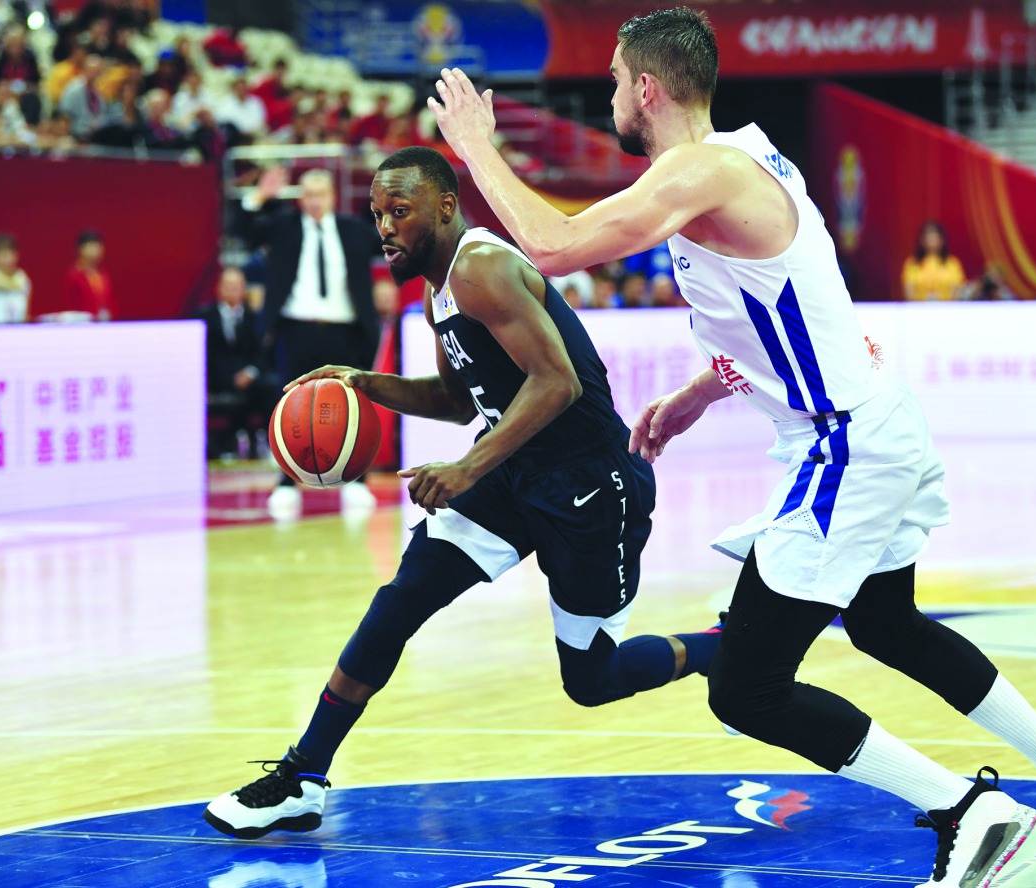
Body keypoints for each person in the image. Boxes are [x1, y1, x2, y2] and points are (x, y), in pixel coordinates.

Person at [428, 9, 1036, 887]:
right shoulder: (748, 157)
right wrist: (698, 392)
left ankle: (974, 815)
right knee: (886, 623)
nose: (611, 94)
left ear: (647, 89)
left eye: (616, 80)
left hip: (845, 444)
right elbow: (785, 305)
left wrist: (475, 147)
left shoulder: (700, 170)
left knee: (747, 687)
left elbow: (554, 244)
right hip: (873, 415)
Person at [203, 145, 723, 840]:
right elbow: (457, 400)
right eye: (377, 212)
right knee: (400, 601)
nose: (384, 226)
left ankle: (724, 646)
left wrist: (467, 468)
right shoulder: (436, 291)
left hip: (591, 485)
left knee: (592, 680)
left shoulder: (481, 268)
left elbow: (557, 382)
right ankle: (302, 776)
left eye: (399, 210)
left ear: (445, 207)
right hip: (516, 475)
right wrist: (363, 384)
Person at [235, 165, 384, 515]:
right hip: (296, 327)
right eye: (309, 195)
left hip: (345, 328)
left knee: (353, 402)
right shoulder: (283, 227)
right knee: (289, 403)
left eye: (321, 194)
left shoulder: (353, 230)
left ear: (332, 196)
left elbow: (389, 246)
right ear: (301, 199)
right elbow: (243, 234)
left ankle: (357, 479)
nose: (315, 201)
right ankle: (286, 480)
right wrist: (259, 197)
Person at [196, 266, 278, 459]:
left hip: (249, 380)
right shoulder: (204, 317)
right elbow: (205, 355)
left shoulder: (255, 319)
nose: (233, 290)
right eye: (229, 286)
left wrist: (250, 372)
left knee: (271, 386)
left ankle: (270, 443)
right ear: (219, 288)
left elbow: (262, 353)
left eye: (238, 286)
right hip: (217, 380)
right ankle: (221, 448)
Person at [902, 221, 966, 301]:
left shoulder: (952, 264)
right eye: (929, 237)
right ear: (922, 240)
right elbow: (909, 291)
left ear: (942, 240)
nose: (932, 240)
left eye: (935, 237)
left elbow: (957, 291)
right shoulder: (912, 264)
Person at [61, 229, 115, 320]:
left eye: (99, 247)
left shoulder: (103, 275)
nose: (97, 251)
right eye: (92, 247)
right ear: (81, 249)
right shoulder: (73, 276)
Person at [0, 232, 30, 323]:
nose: (6, 259)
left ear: (16, 255)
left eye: (8, 254)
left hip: (16, 329)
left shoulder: (23, 279)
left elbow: (26, 311)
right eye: (2, 255)